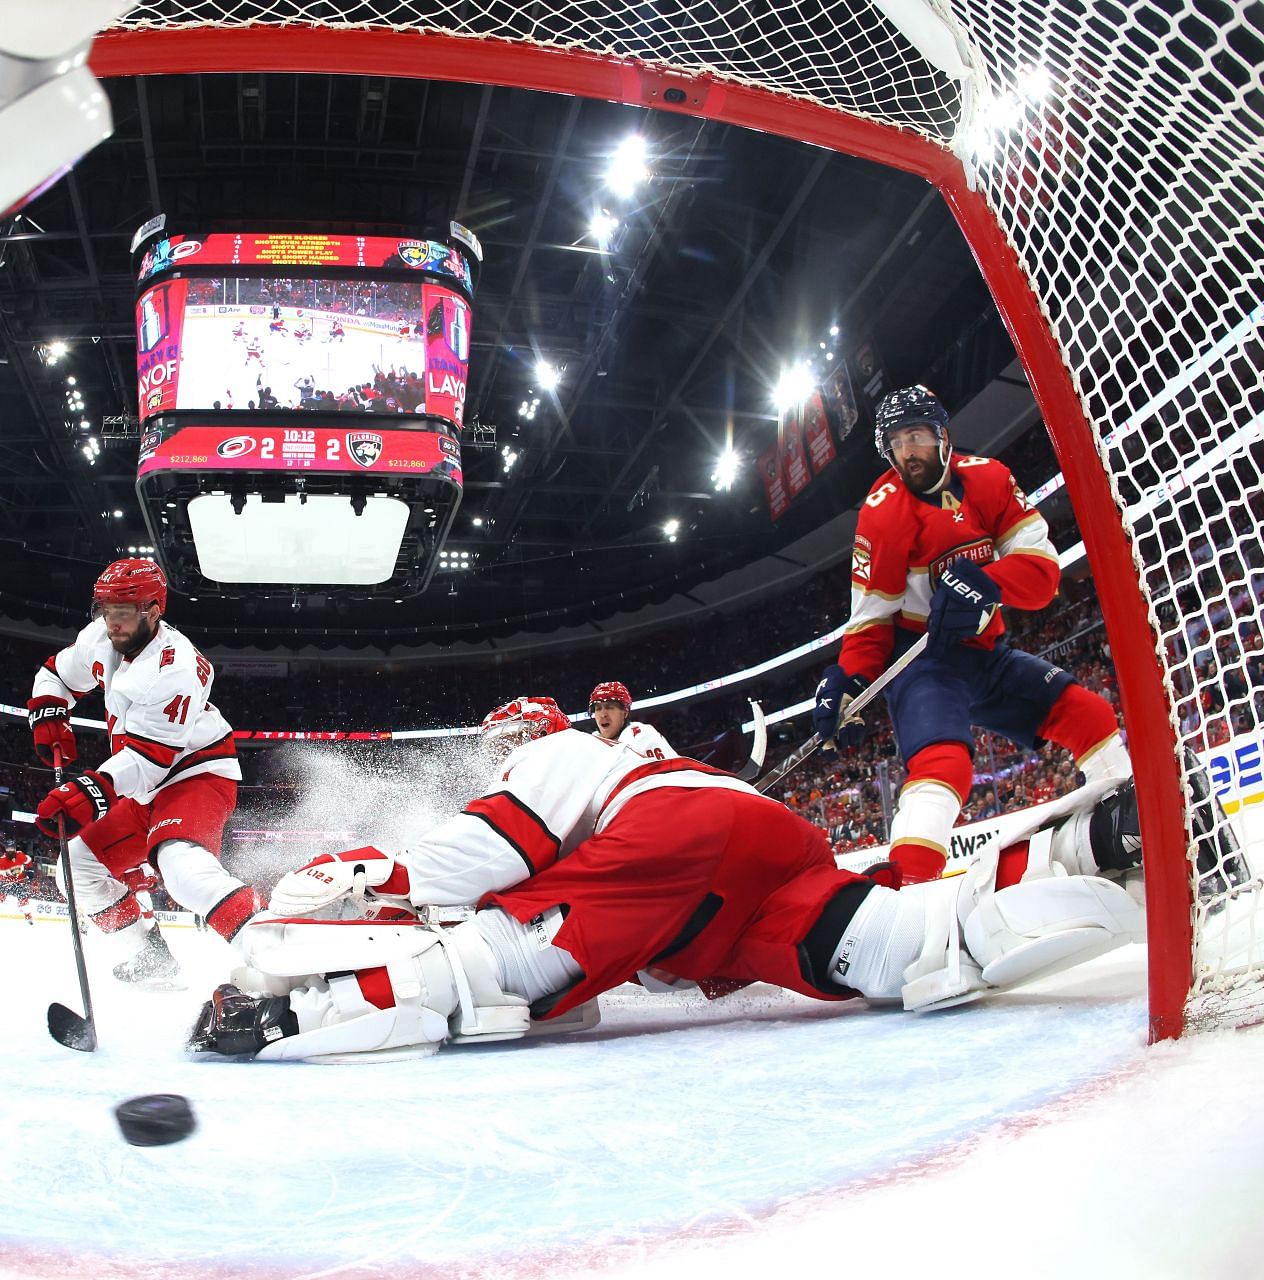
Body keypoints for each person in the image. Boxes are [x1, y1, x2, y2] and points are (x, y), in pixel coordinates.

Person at [189, 696, 1144, 1063]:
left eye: (503, 744)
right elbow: (587, 1002)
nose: (501, 755)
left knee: (498, 963)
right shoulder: (628, 767)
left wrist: (390, 873)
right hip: (744, 875)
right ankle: (1100, 844)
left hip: (677, 845)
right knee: (912, 947)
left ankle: (292, 1022)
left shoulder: (555, 754)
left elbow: (487, 855)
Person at [810, 386, 1132, 886]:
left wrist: (988, 583)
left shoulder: (992, 479)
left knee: (1088, 713)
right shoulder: (882, 513)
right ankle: (906, 893)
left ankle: (1135, 818)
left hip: (987, 654)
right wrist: (849, 680)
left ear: (943, 436)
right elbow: (870, 622)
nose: (907, 453)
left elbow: (1043, 573)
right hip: (926, 662)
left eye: (916, 437)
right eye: (896, 444)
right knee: (945, 764)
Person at [26, 557, 257, 989]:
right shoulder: (100, 636)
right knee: (74, 868)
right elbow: (56, 672)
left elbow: (152, 759)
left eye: (123, 611)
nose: (111, 621)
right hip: (141, 786)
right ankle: (151, 959)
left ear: (154, 610)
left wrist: (89, 792)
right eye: (105, 608)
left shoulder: (175, 667)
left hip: (194, 774)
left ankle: (272, 955)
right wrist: (49, 712)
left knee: (181, 869)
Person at [585, 681, 676, 766]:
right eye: (598, 709)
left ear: (625, 712)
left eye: (609, 707)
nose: (603, 715)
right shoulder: (589, 745)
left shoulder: (643, 735)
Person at [0, 845, 35, 925]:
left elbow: (28, 860)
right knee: (0, 897)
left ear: (15, 849)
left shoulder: (20, 855)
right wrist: (4, 877)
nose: (10, 850)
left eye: (12, 849)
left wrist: (30, 870)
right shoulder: (2, 860)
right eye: (8, 849)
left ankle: (28, 916)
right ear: (6, 850)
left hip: (19, 882)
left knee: (23, 899)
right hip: (6, 882)